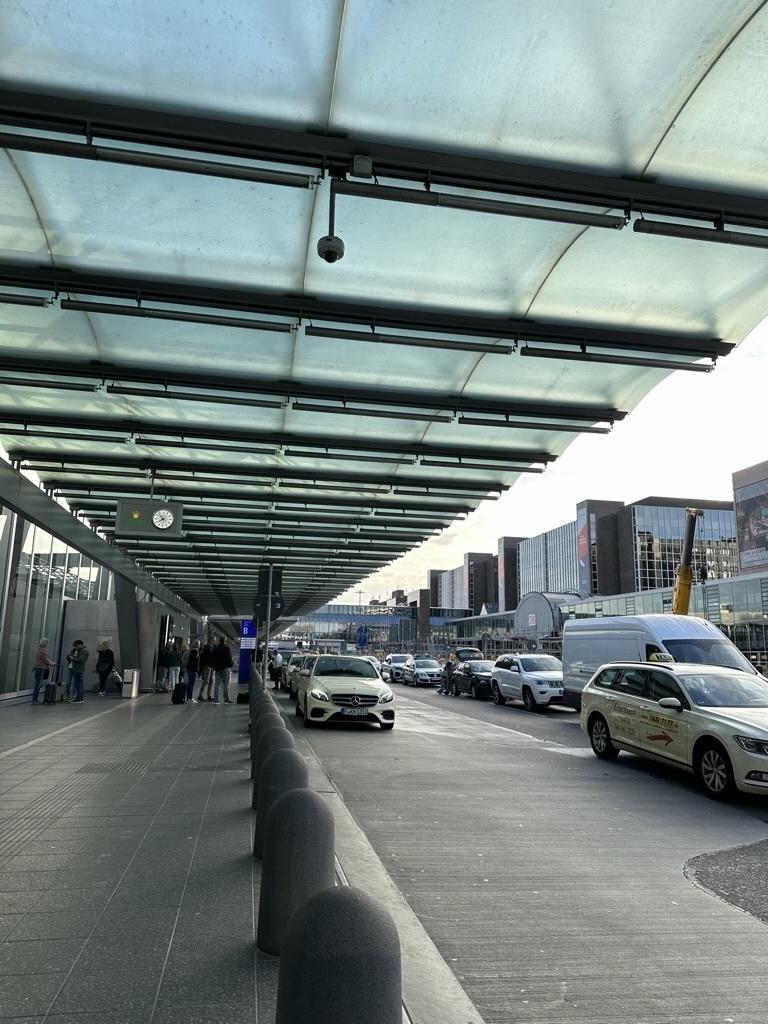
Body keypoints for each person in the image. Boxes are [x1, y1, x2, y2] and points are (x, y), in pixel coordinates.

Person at [32, 638, 55, 703]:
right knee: (38, 684)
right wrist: (53, 663)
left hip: (38, 668)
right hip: (41, 668)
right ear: (45, 643)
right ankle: (35, 699)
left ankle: (35, 699)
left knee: (38, 683)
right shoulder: (43, 651)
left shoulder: (38, 649)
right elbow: (46, 660)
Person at [211, 637, 233, 704]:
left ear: (219, 641)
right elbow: (229, 658)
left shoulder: (215, 649)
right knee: (226, 684)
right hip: (225, 668)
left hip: (217, 669)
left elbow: (212, 658)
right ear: (225, 641)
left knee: (217, 684)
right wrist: (231, 664)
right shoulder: (227, 648)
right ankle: (226, 699)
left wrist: (214, 666)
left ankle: (216, 700)